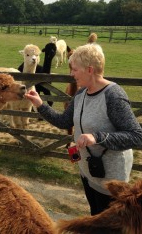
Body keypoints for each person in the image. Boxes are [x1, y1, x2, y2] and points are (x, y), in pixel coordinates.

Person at [25, 43, 142, 216]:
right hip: (88, 172)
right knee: (94, 214)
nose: (71, 74)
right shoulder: (81, 94)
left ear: (89, 70)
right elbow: (64, 121)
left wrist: (97, 137)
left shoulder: (113, 95)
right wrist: (41, 105)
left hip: (111, 182)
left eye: (74, 69)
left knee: (107, 224)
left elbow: (136, 136)